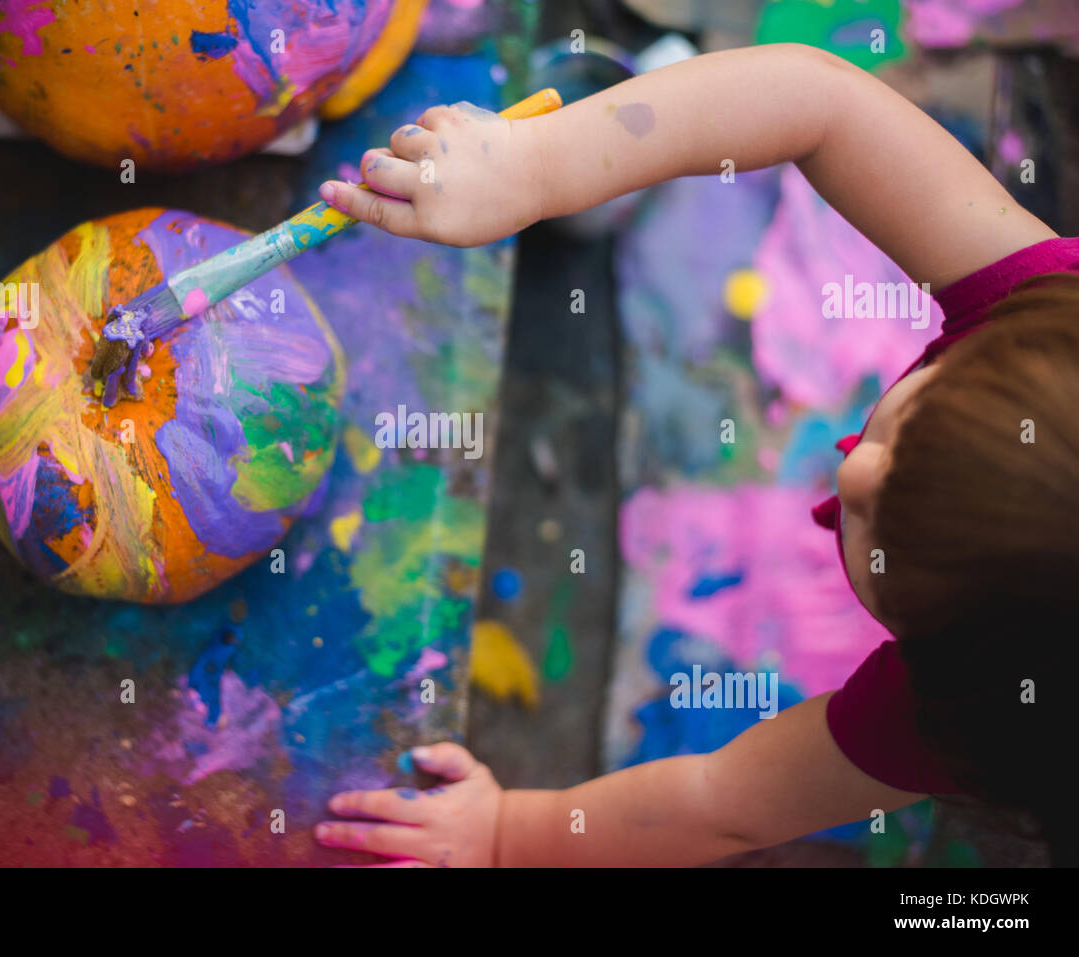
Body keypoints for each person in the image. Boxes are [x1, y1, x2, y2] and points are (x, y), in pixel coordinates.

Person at [313, 43, 1079, 866]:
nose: (850, 467)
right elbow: (816, 105)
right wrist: (536, 168)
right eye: (920, 421)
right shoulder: (1047, 319)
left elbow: (725, 802)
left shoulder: (979, 716)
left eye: (886, 544)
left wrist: (506, 835)